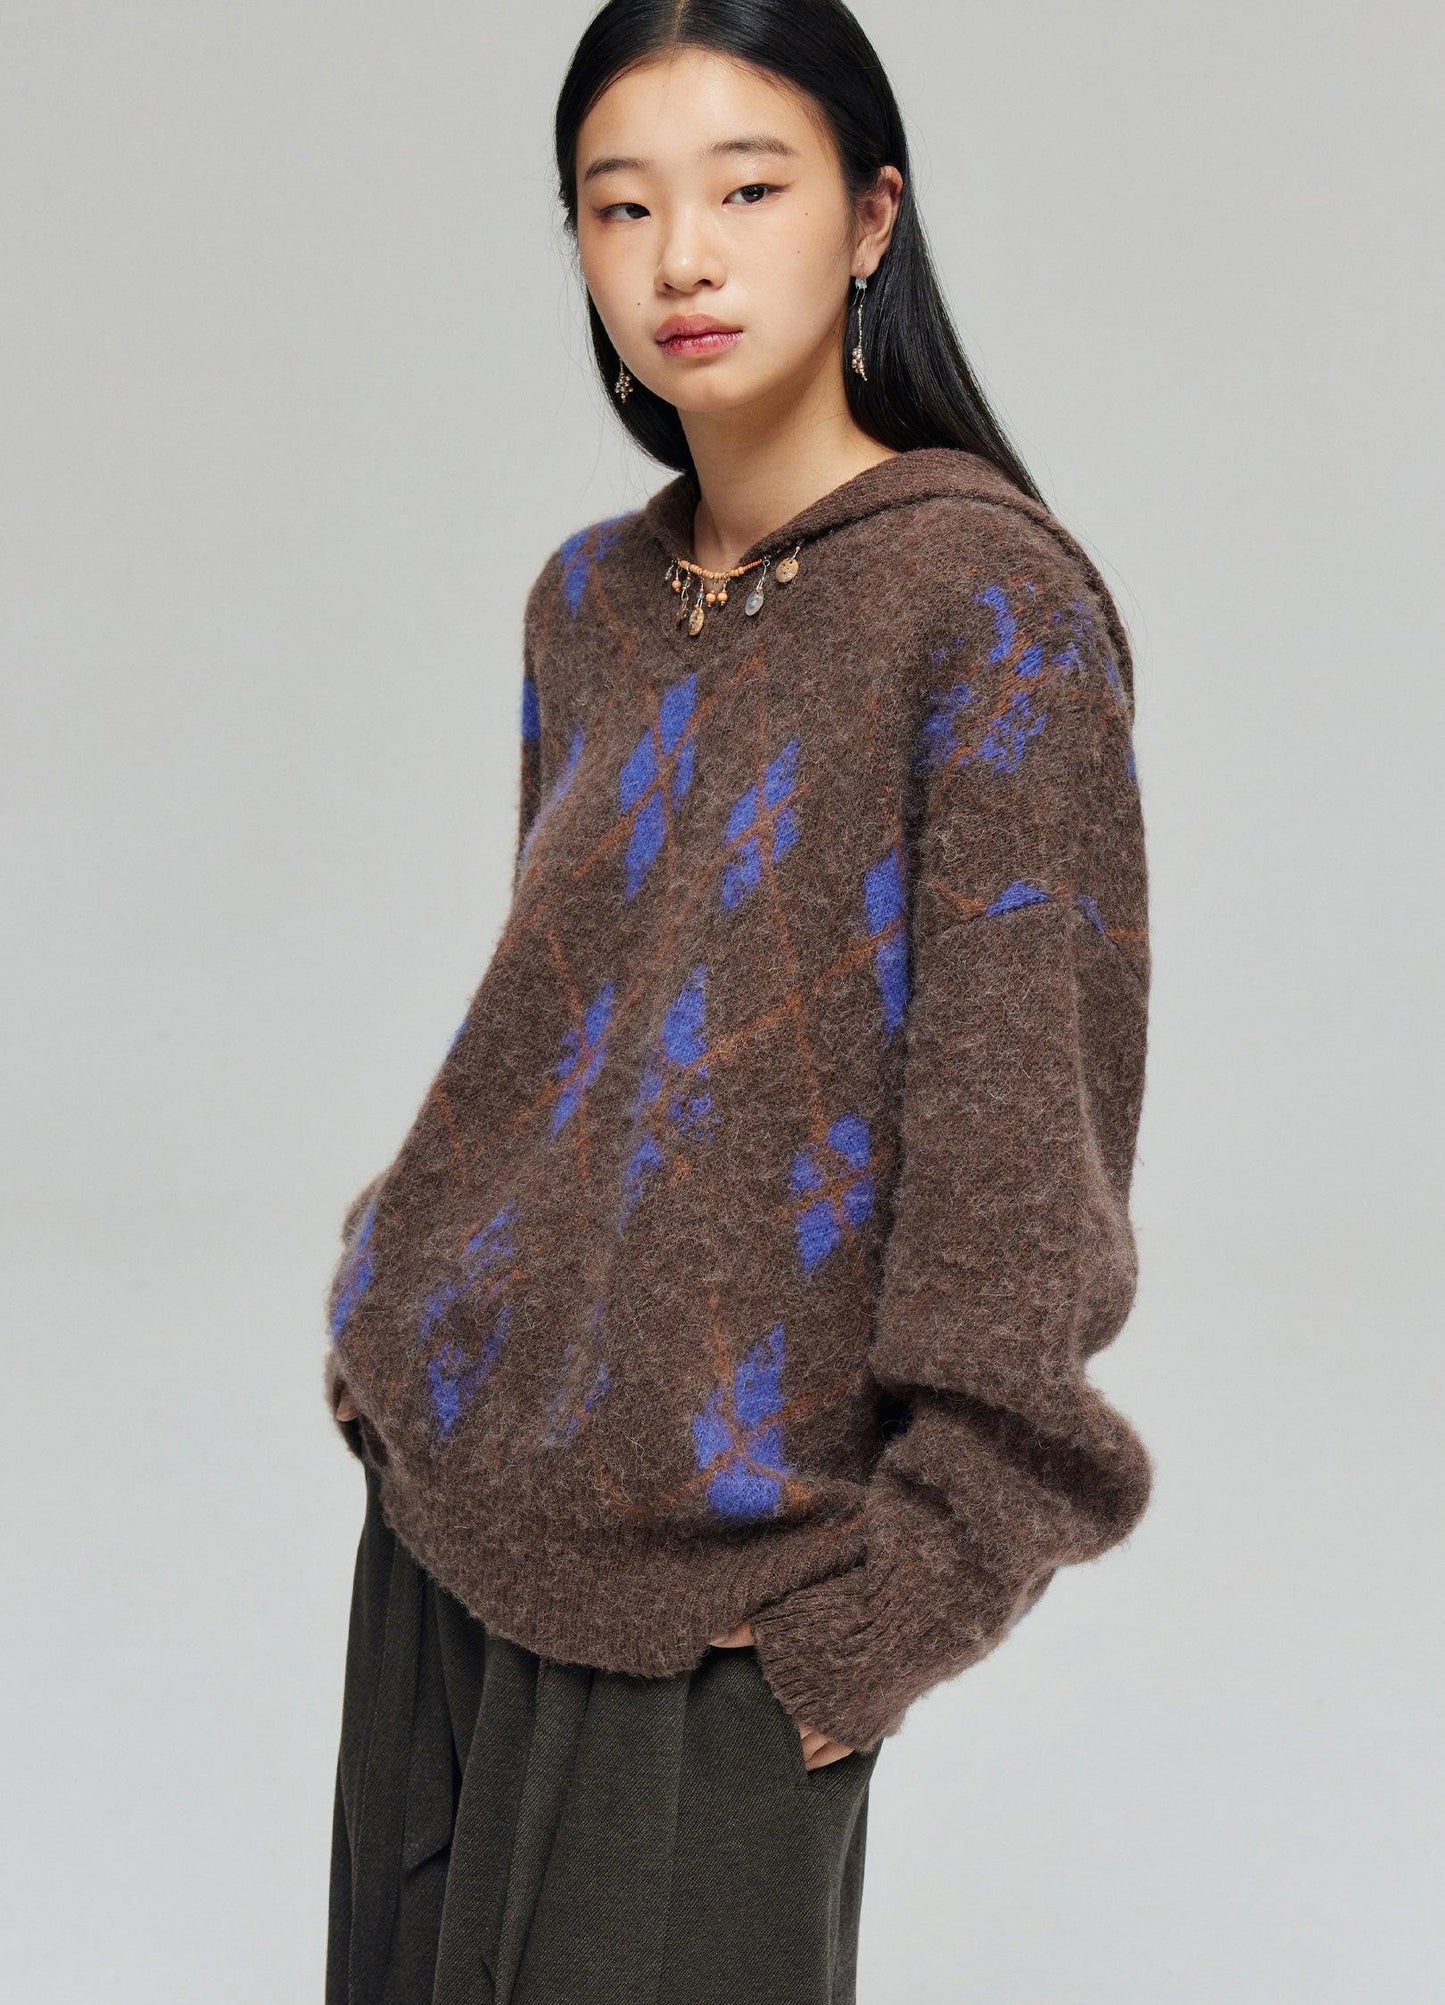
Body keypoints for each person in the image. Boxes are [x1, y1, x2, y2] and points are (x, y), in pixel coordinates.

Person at [323, 3, 1153, 2000]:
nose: (681, 255)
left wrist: (885, 1618)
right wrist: (393, 1315)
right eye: (619, 206)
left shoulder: (988, 608)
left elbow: (1022, 1164)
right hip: (446, 1537)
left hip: (725, 1610)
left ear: (871, 219)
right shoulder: (585, 603)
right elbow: (572, 1053)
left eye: (748, 189)